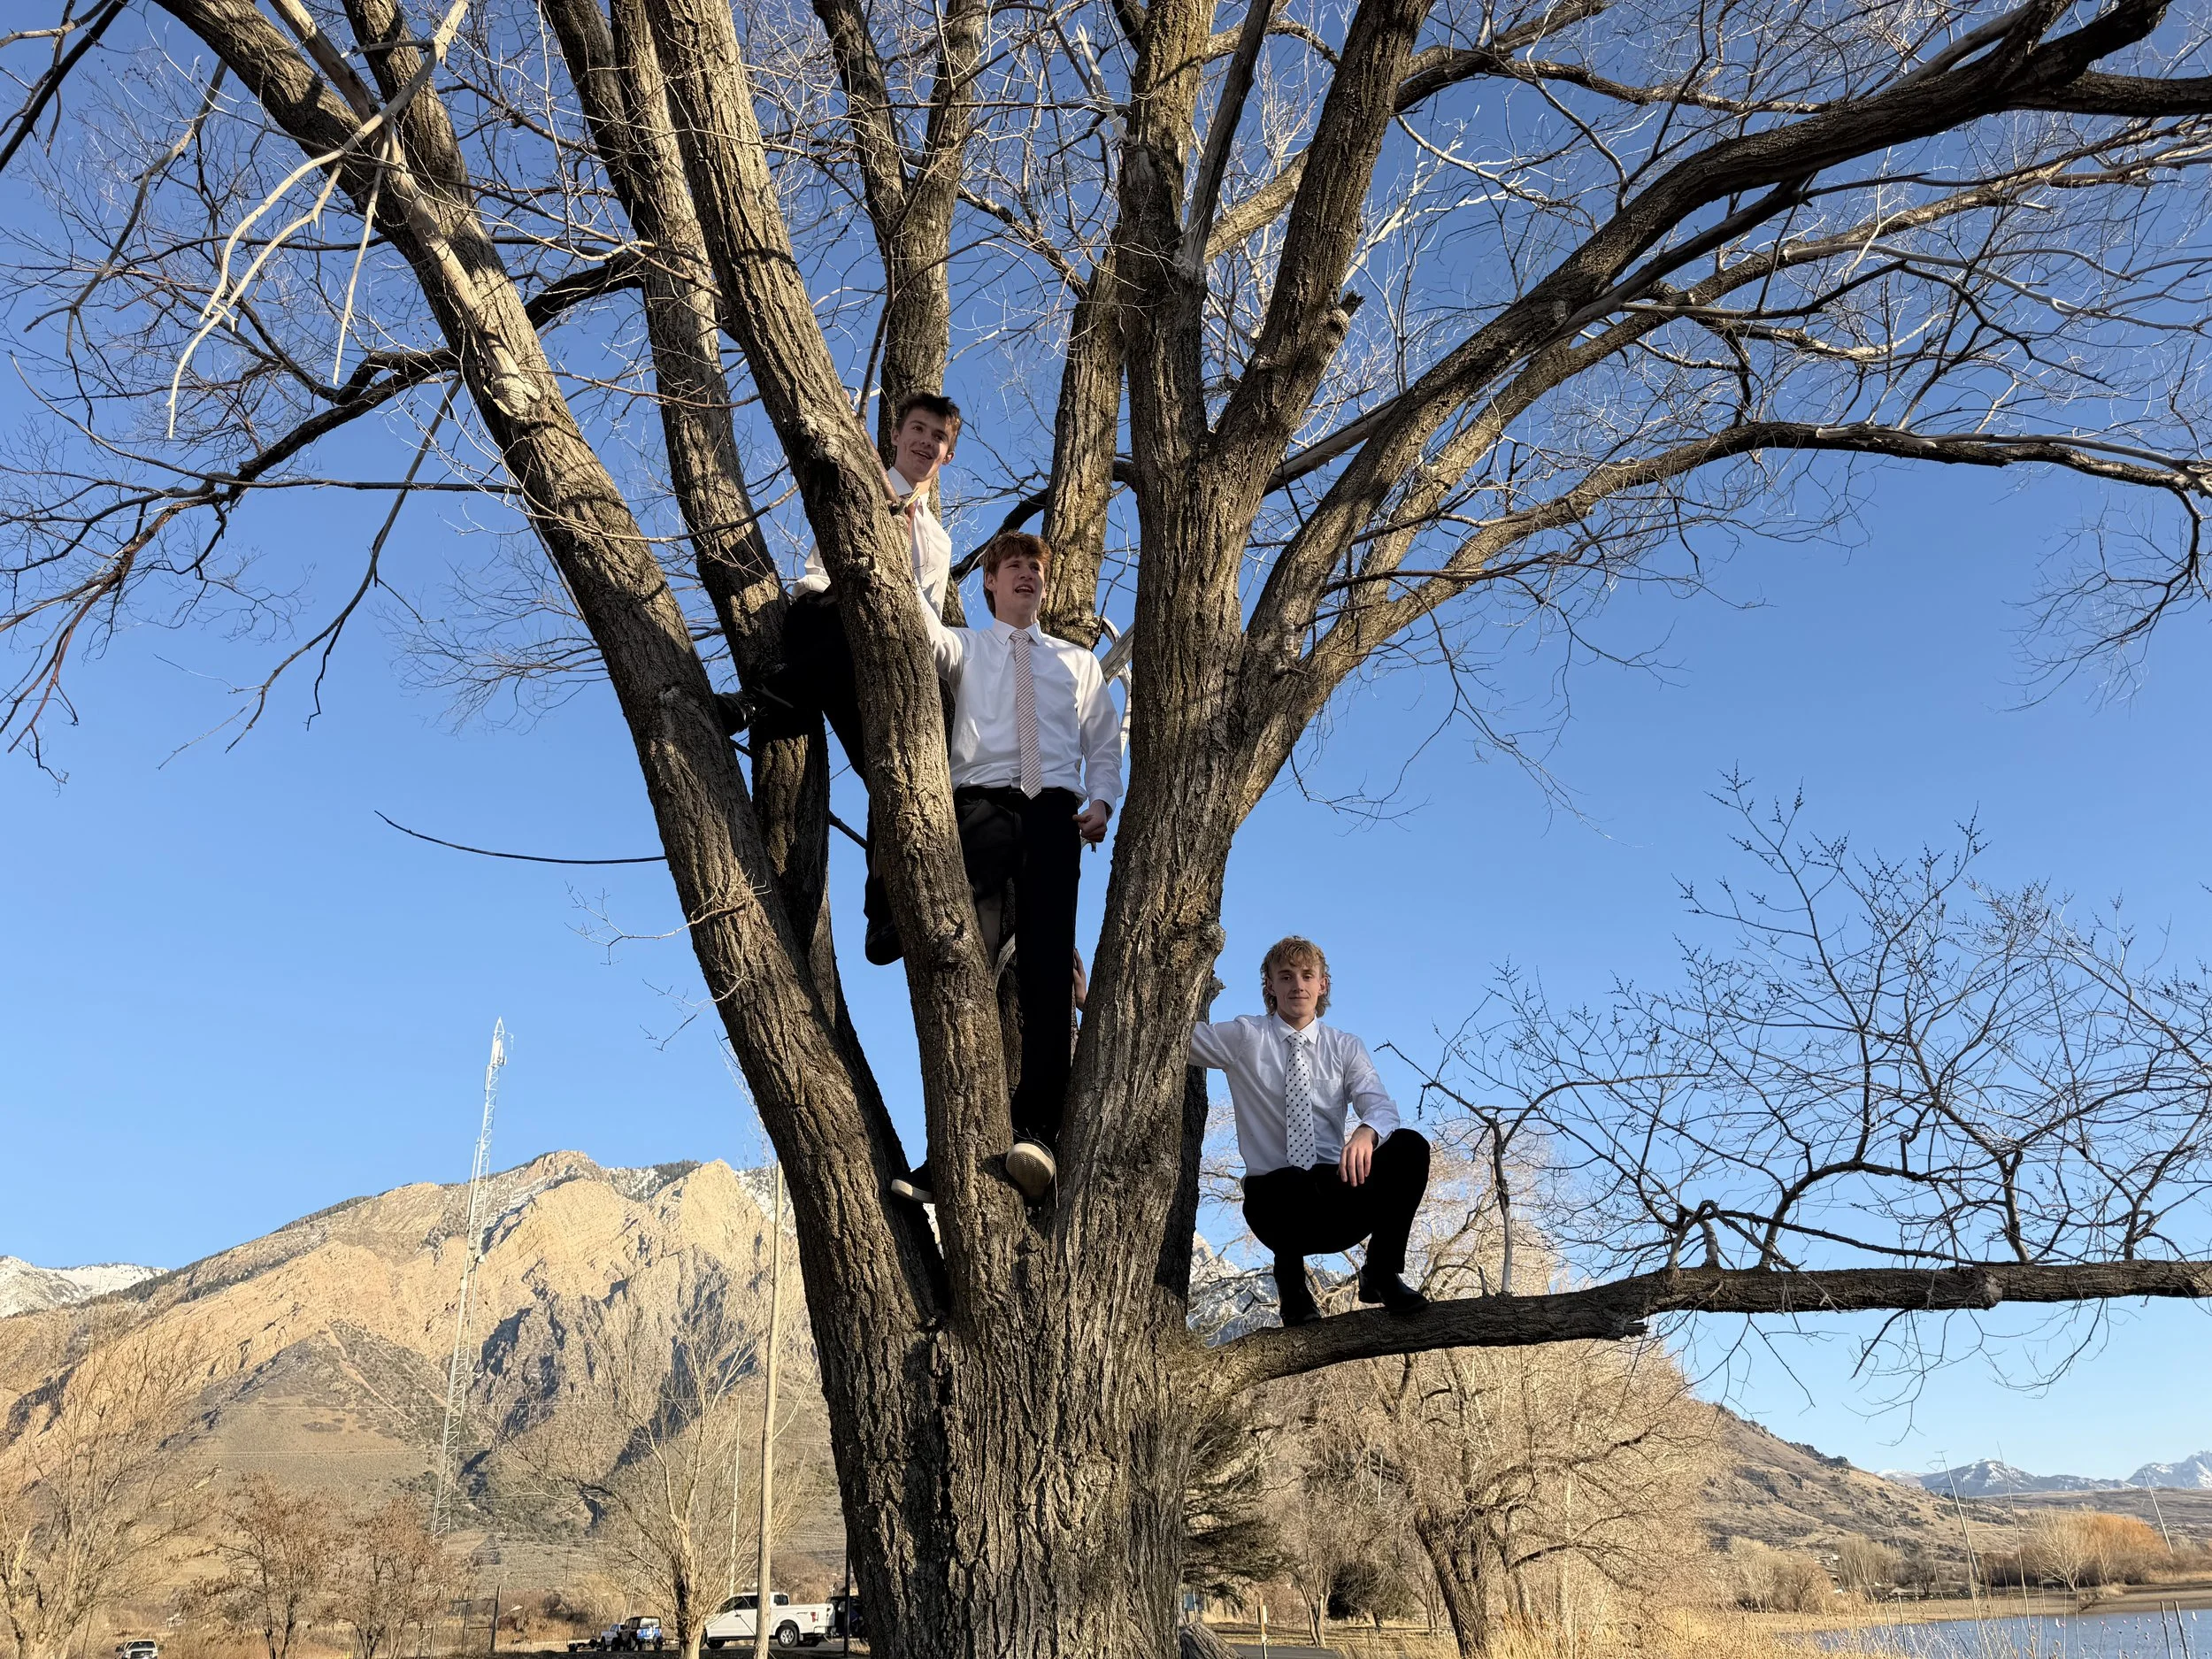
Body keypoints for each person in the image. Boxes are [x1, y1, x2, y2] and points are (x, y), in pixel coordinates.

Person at [889, 532, 1121, 1204]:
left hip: (1054, 815)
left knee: (1048, 971)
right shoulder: (966, 647)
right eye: (1013, 566)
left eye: (1037, 569)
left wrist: (1102, 800)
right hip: (981, 809)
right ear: (989, 582)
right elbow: (916, 617)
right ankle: (951, 1146)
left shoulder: (1078, 663)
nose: (1027, 576)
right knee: (965, 963)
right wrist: (907, 531)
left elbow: (1103, 743)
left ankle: (1040, 1129)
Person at [718, 391, 961, 965]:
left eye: (938, 436)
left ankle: (884, 912)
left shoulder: (940, 540)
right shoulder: (868, 484)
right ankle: (760, 700)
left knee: (903, 763)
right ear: (896, 436)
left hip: (883, 659)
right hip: (827, 620)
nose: (926, 442)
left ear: (947, 453)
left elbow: (922, 615)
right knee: (861, 616)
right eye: (918, 430)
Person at [1190, 937, 1431, 1324]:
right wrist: (1089, 1003)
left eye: (1307, 976)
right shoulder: (1245, 1037)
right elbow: (1172, 1038)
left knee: (1410, 1147)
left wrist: (1365, 1133)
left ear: (1323, 985)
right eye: (1285, 977)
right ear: (1270, 986)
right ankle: (1292, 1289)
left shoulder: (1345, 1046)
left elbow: (1381, 1106)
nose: (1297, 985)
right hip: (1276, 1207)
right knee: (1288, 1180)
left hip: (1336, 1200)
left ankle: (1381, 1273)